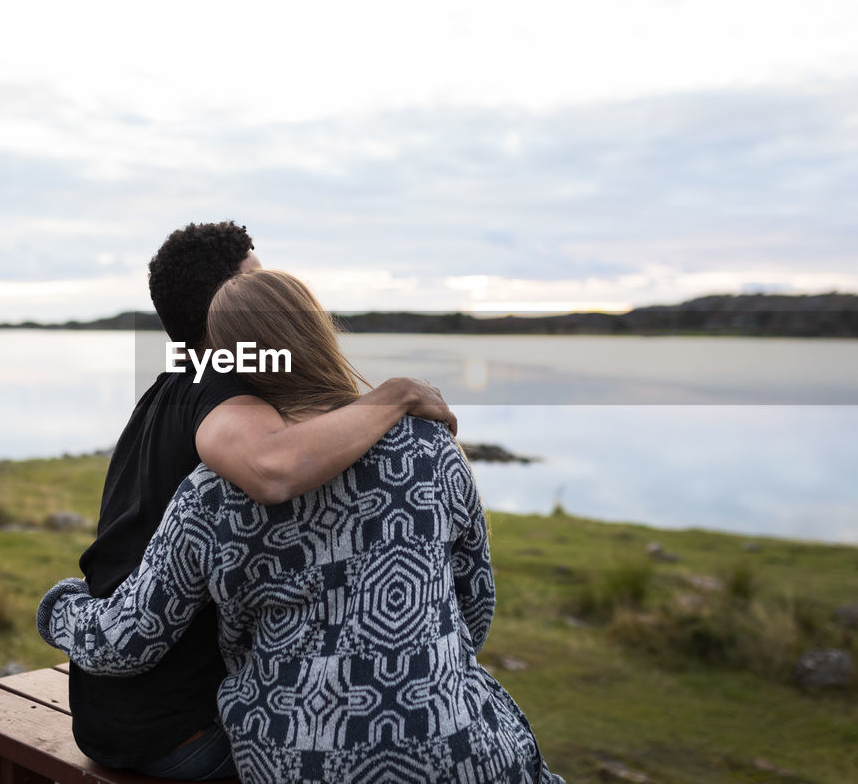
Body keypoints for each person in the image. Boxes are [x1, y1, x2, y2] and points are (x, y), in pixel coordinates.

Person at [40, 269, 565, 784]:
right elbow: (474, 605)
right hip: (460, 743)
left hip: (296, 755)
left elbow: (127, 642)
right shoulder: (429, 447)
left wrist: (60, 606)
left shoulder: (212, 493)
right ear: (319, 330)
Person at [72, 223, 457, 779]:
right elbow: (271, 469)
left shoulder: (170, 387)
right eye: (259, 281)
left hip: (114, 712)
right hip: (182, 733)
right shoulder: (221, 388)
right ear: (230, 309)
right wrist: (396, 395)